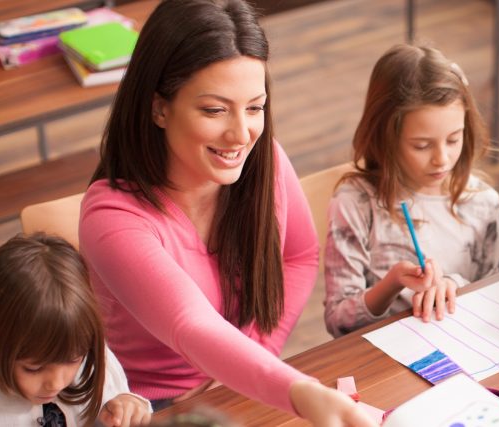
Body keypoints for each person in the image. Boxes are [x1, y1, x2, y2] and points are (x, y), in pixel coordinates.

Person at [78, 0, 373, 424]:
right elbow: (190, 324)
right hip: (142, 408)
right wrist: (302, 392)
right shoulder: (111, 217)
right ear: (159, 108)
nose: (241, 135)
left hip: (244, 377)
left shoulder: (264, 160)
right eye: (215, 110)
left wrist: (255, 355)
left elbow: (298, 255)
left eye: (254, 107)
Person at [323, 44, 499, 337]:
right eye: (421, 145)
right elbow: (337, 321)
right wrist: (392, 283)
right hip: (383, 355)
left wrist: (455, 286)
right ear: (386, 138)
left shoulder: (484, 203)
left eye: (454, 139)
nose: (441, 159)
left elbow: (496, 297)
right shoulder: (354, 203)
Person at [0, 233, 151, 426]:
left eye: (73, 360)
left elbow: (114, 402)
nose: (56, 383)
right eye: (34, 368)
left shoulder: (83, 348)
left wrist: (128, 406)